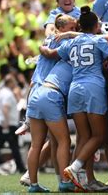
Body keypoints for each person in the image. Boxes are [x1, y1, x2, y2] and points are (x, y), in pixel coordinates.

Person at [41, 7, 108, 192]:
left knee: (84, 136)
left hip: (75, 89)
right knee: (99, 135)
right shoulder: (98, 40)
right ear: (96, 26)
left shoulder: (71, 42)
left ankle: (80, 179)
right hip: (93, 88)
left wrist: (41, 47)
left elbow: (50, 53)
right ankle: (74, 167)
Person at [25, 60, 76, 193]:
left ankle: (33, 185)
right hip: (51, 95)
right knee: (64, 141)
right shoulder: (78, 65)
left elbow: (31, 85)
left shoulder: (57, 64)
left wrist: (26, 121)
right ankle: (65, 182)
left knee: (35, 145)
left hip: (36, 94)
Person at [0, 74, 26, 174]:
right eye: (13, 82)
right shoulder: (7, 93)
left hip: (4, 123)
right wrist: (6, 124)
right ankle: (21, 167)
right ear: (9, 83)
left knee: (0, 146)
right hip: (8, 124)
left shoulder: (3, 92)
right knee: (13, 147)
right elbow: (5, 108)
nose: (15, 84)